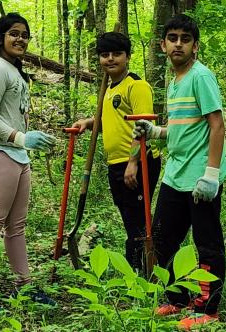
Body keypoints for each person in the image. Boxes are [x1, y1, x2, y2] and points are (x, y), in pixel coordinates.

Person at [133, 14, 226, 330]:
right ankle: (177, 298)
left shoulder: (201, 77)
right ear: (163, 45)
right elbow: (185, 128)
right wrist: (156, 131)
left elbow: (217, 125)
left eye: (184, 39)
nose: (178, 44)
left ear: (195, 47)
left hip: (200, 178)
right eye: (172, 38)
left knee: (207, 244)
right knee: (163, 240)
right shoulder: (175, 82)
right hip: (175, 176)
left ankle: (207, 309)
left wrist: (212, 174)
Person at [0, 12, 57, 306]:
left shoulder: (14, 71)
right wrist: (20, 137)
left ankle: (25, 285)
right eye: (14, 33)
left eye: (24, 35)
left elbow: (11, 113)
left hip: (18, 155)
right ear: (0, 38)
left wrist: (26, 140)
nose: (20, 39)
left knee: (16, 225)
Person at [72, 32, 161, 272]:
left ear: (128, 56)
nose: (110, 59)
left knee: (138, 223)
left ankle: (142, 270)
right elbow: (112, 122)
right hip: (116, 164)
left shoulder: (137, 86)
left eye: (117, 54)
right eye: (104, 55)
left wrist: (133, 162)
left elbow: (142, 126)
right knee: (129, 218)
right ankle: (139, 268)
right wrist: (89, 123)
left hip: (138, 162)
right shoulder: (109, 89)